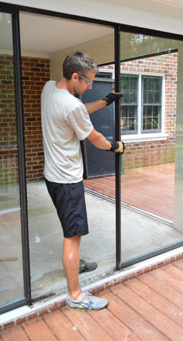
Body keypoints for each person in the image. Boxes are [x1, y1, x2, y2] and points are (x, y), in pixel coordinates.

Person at [41, 51, 124, 311]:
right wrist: (115, 147)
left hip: (52, 175)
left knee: (70, 229)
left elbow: (78, 112)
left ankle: (74, 264)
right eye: (87, 81)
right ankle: (75, 296)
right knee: (73, 235)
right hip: (67, 180)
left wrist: (105, 102)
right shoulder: (72, 105)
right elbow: (95, 137)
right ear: (75, 76)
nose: (89, 86)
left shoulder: (49, 89)